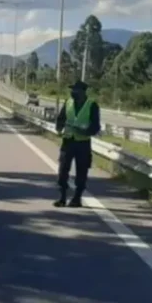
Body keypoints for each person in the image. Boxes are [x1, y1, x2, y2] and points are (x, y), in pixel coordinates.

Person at [54, 80, 101, 208]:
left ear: (83, 92)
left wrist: (85, 131)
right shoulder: (68, 102)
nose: (73, 92)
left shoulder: (92, 105)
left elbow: (96, 126)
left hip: (83, 143)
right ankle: (62, 198)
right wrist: (59, 128)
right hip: (68, 141)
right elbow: (61, 118)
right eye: (72, 90)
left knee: (82, 172)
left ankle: (77, 198)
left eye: (75, 90)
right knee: (63, 170)